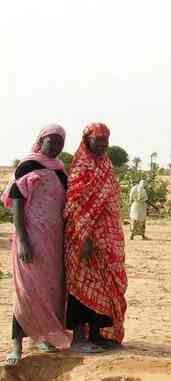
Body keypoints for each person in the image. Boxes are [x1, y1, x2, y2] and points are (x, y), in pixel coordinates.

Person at [1, 125, 73, 367]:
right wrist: (22, 240)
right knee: (27, 293)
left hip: (53, 242)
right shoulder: (28, 165)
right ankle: (16, 345)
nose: (55, 147)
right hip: (30, 237)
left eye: (59, 143)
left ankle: (42, 337)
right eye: (51, 141)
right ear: (41, 140)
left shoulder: (61, 171)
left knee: (51, 292)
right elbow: (17, 204)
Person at [64, 123, 128, 353]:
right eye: (98, 139)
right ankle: (80, 337)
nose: (102, 144)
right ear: (86, 140)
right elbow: (76, 204)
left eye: (105, 140)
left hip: (108, 237)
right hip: (84, 236)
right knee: (83, 284)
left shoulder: (106, 164)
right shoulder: (81, 166)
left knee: (106, 284)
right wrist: (85, 237)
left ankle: (99, 334)